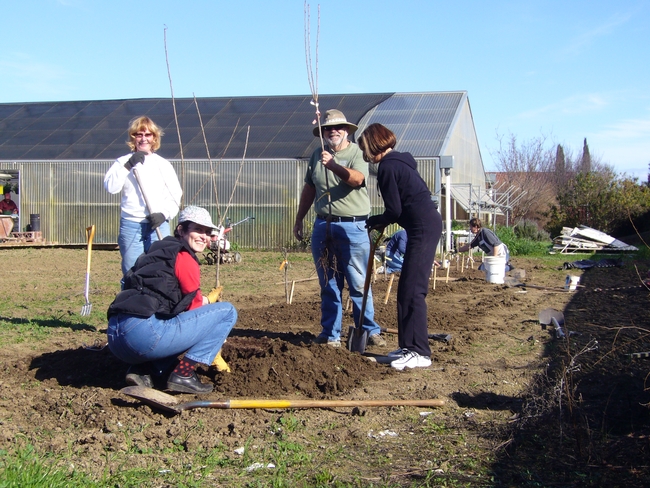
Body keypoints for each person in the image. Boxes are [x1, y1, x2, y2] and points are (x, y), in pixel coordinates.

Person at [106, 206, 237, 394]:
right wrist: (213, 338)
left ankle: (144, 371)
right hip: (142, 337)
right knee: (227, 312)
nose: (204, 236)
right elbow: (193, 311)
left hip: (116, 338)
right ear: (181, 230)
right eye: (197, 230)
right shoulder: (185, 256)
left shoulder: (157, 251)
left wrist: (205, 300)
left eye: (208, 232)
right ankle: (183, 375)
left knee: (170, 320)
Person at [293, 109, 383, 348]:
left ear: (346, 131)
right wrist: (300, 217)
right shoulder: (316, 155)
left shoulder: (357, 153)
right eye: (327, 129)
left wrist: (332, 165)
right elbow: (310, 189)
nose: (332, 132)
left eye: (337, 128)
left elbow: (356, 180)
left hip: (353, 227)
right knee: (329, 283)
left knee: (357, 281)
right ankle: (330, 333)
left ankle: (369, 331)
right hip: (324, 225)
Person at [358, 123, 442, 370]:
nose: (364, 153)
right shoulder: (400, 163)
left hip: (422, 228)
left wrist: (374, 220)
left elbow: (394, 210)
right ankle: (408, 347)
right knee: (406, 288)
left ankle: (420, 352)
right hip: (422, 225)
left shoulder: (388, 167)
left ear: (373, 145)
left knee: (413, 290)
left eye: (364, 147)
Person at [104, 116, 182, 277]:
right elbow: (111, 187)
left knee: (161, 268)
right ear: (133, 137)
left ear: (154, 138)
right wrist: (128, 166)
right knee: (132, 270)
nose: (143, 138)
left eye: (148, 135)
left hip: (158, 225)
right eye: (139, 134)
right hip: (131, 224)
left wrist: (164, 214)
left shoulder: (163, 165)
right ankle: (130, 300)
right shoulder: (122, 162)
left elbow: (175, 194)